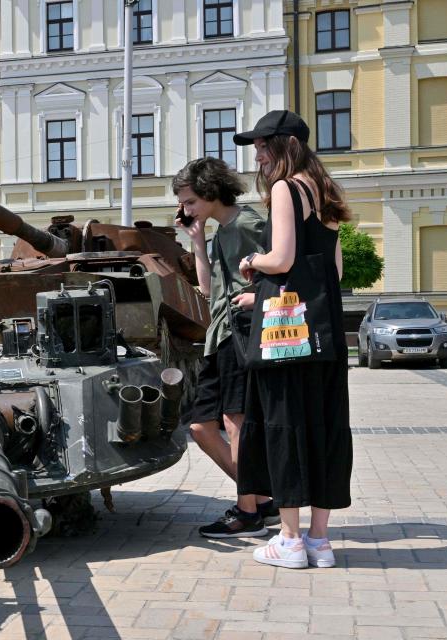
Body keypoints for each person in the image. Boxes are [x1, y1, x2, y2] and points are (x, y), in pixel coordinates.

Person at [233, 110, 353, 569]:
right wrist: (258, 298)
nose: (258, 156)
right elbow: (333, 272)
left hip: (287, 338)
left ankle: (289, 539)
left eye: (263, 146)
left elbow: (281, 259)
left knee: (284, 428)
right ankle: (320, 541)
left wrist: (252, 262)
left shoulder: (286, 188)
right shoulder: (324, 192)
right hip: (325, 332)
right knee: (324, 428)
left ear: (285, 145)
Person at [172, 157, 279, 538]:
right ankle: (264, 499)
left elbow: (279, 273)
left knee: (236, 422)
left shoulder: (248, 224)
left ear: (211, 192)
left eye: (188, 202)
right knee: (201, 426)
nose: (184, 210)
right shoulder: (222, 232)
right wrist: (197, 241)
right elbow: (207, 290)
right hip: (220, 334)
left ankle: (249, 509)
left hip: (242, 332)